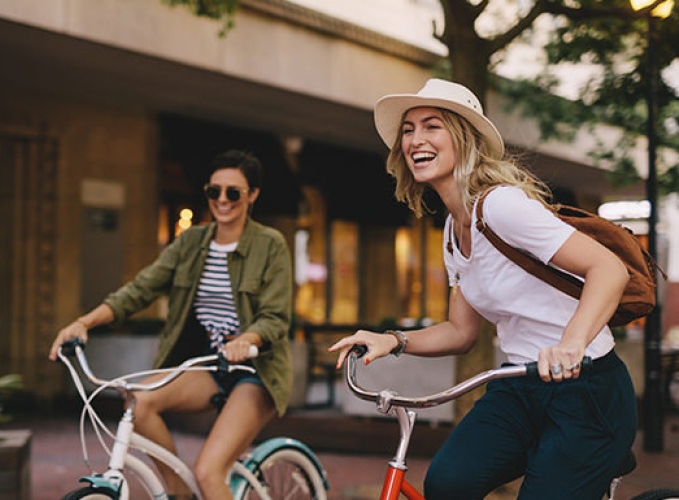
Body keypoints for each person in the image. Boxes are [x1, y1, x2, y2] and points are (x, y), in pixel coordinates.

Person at [329, 78, 637, 499]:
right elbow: (461, 332)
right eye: (408, 129)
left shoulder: (500, 206)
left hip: (586, 389)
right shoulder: (454, 230)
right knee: (447, 484)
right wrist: (391, 340)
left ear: (462, 139)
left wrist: (572, 343)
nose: (416, 139)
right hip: (519, 385)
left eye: (432, 126)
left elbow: (609, 268)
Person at [49, 149, 293, 500]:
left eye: (234, 193)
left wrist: (247, 339)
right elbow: (138, 290)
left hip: (256, 370)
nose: (222, 200)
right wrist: (83, 323)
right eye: (215, 191)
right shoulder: (190, 243)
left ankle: (197, 487)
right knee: (139, 401)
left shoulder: (270, 245)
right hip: (209, 364)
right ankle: (180, 494)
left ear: (252, 195)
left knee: (209, 472)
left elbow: (275, 317)